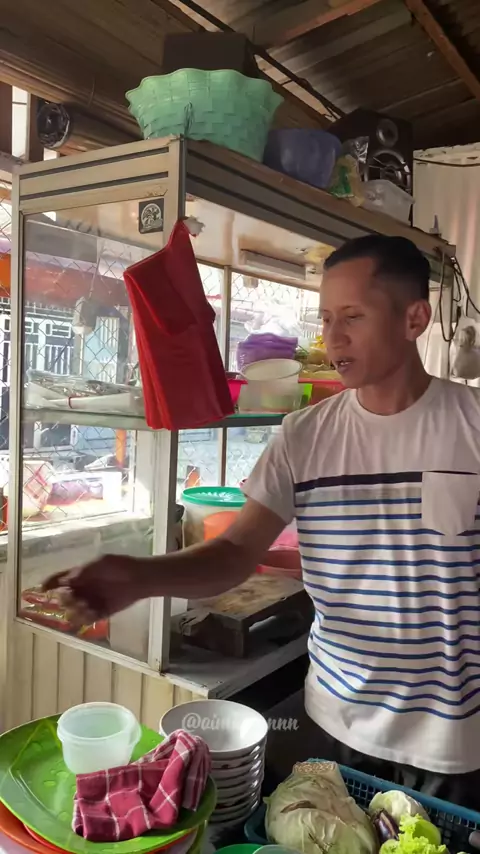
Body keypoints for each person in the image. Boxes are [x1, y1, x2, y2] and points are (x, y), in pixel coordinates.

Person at [44, 235, 480, 808]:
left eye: (354, 316)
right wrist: (140, 576)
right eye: (327, 318)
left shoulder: (472, 424)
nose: (334, 337)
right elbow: (234, 554)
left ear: (414, 319)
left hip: (452, 739)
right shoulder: (304, 436)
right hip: (336, 721)